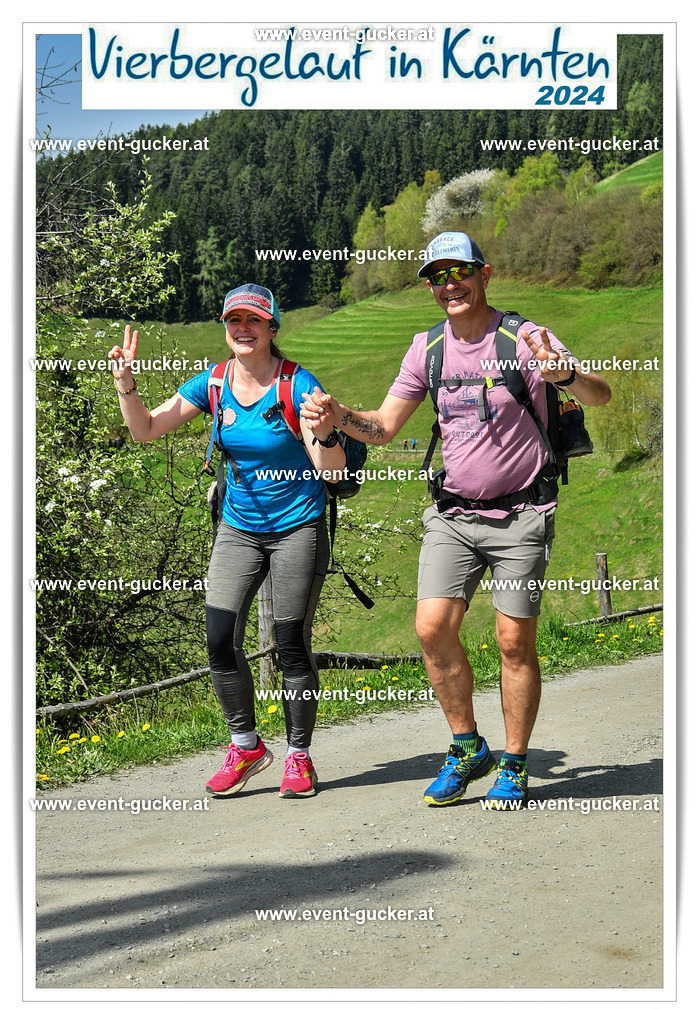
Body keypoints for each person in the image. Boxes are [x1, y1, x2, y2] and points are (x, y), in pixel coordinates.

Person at [302, 232, 611, 809]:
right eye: (438, 277)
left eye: (460, 272)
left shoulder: (524, 339)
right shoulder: (427, 350)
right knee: (431, 630)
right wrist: (338, 413)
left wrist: (562, 373)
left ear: (484, 273)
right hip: (452, 515)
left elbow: (600, 394)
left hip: (522, 512)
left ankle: (514, 764)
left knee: (513, 639)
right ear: (430, 286)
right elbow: (384, 426)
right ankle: (467, 746)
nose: (450, 285)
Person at [109, 283, 345, 799]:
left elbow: (331, 470)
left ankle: (299, 756)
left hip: (298, 527)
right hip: (238, 528)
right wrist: (127, 385)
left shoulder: (296, 384)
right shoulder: (213, 382)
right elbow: (146, 430)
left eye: (253, 321)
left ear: (272, 329)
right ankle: (246, 745)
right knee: (219, 639)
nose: (242, 329)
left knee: (289, 646)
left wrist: (326, 433)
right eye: (234, 320)